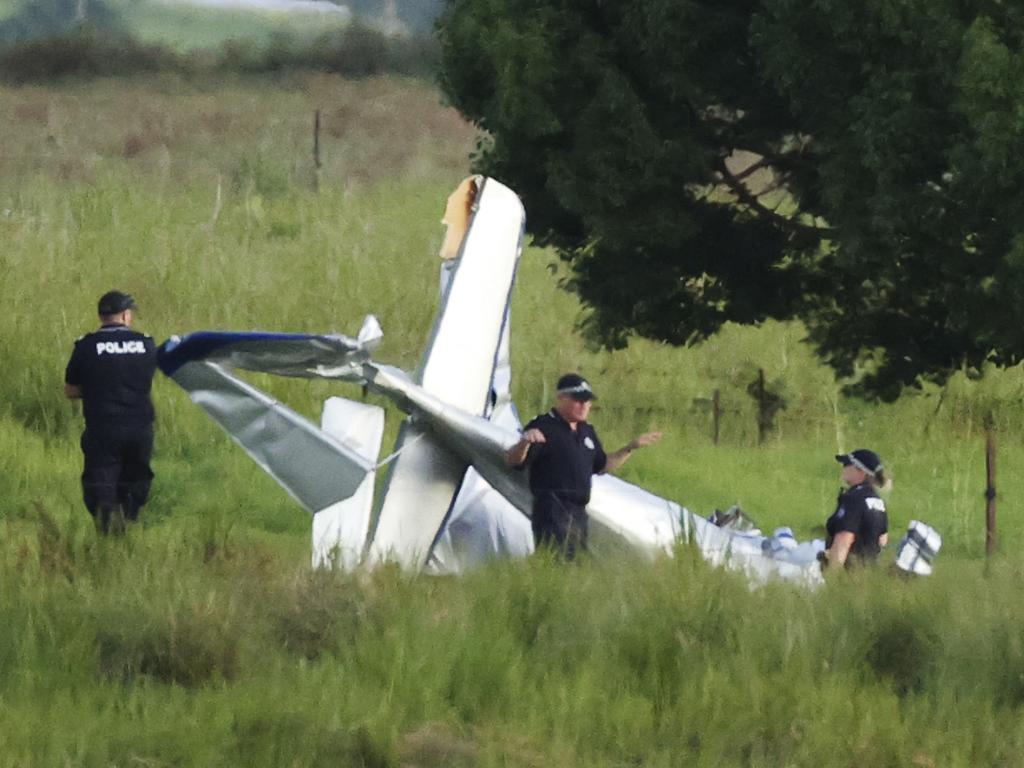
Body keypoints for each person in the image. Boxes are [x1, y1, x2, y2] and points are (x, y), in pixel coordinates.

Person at [506, 373, 662, 559]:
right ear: (561, 398)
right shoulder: (544, 426)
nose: (584, 406)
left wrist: (630, 448)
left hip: (578, 510)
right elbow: (514, 461)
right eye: (578, 400)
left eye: (587, 401)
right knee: (557, 560)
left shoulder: (587, 431)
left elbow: (602, 465)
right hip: (552, 506)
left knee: (576, 562)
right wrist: (525, 442)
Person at [64, 291, 157, 533]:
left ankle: (107, 530)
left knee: (101, 480)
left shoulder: (86, 346)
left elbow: (71, 391)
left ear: (101, 316)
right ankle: (128, 522)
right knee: (137, 477)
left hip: (103, 427)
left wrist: (98, 390)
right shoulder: (146, 344)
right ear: (126, 316)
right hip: (139, 427)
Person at [822, 449, 890, 568]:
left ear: (861, 471)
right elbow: (882, 540)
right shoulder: (878, 501)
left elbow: (844, 540)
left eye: (847, 464)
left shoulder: (853, 498)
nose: (844, 467)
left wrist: (831, 577)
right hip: (869, 572)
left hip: (849, 571)